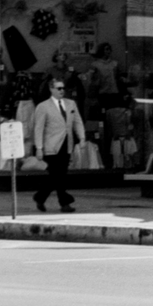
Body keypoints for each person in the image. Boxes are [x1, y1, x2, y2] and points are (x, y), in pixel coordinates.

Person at [26, 78, 87, 213]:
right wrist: (39, 148)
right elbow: (38, 128)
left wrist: (82, 138)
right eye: (58, 88)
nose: (62, 91)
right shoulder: (43, 106)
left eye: (63, 88)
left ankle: (40, 197)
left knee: (59, 174)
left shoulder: (71, 104)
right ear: (51, 89)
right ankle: (64, 203)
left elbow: (77, 122)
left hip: (66, 144)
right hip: (50, 146)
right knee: (57, 174)